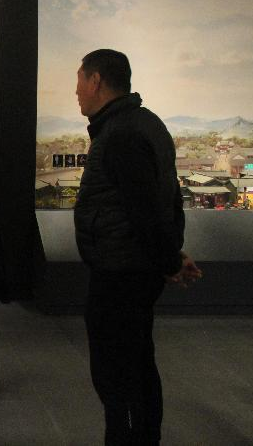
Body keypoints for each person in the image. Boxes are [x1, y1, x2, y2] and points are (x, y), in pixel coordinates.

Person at [73, 49, 202, 445]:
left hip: (121, 274)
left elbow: (144, 210)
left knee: (119, 375)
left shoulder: (121, 134)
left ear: (96, 81)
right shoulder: (144, 124)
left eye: (80, 81)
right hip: (132, 268)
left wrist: (168, 260)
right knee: (137, 365)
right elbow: (166, 200)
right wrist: (171, 255)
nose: (76, 92)